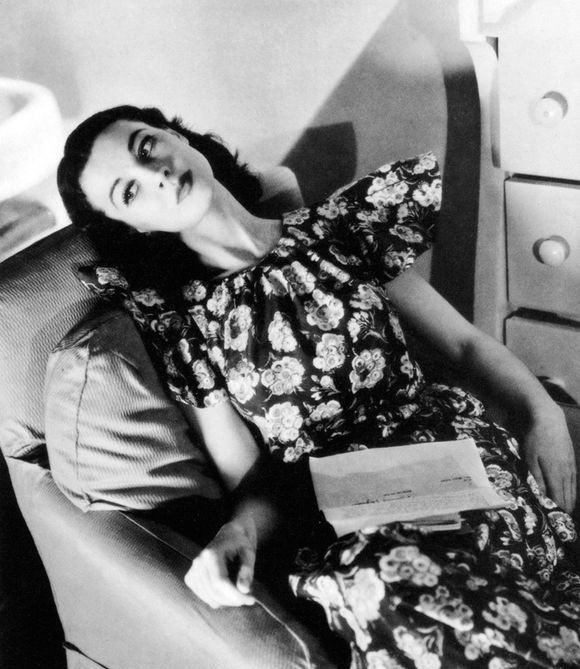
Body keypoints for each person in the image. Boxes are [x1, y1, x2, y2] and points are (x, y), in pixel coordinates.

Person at [58, 105, 580, 668]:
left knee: (396, 586)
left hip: (451, 462)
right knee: (371, 581)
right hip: (341, 512)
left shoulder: (340, 229)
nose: (155, 174)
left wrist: (542, 412)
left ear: (175, 135)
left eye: (145, 147)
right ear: (134, 227)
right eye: (129, 191)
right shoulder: (181, 325)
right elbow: (250, 475)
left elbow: (463, 346)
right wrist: (239, 532)